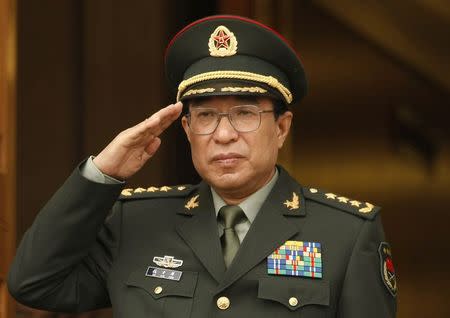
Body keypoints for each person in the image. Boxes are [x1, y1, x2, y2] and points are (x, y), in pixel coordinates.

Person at [8, 15, 397, 317]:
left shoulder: (345, 234)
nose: (224, 135)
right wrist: (101, 175)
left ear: (281, 128)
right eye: (207, 116)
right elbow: (34, 284)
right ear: (187, 129)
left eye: (244, 114)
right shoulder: (137, 221)